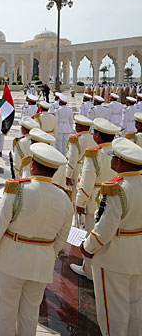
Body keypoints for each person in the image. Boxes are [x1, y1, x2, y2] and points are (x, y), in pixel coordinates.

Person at [0, 143, 72, 336]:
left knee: (4, 313)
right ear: (54, 172)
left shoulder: (17, 190)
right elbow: (62, 238)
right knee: (30, 315)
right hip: (42, 264)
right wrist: (46, 253)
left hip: (11, 261)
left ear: (33, 166)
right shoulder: (64, 197)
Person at [80, 138, 142, 336]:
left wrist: (87, 248)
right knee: (135, 306)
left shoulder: (117, 188)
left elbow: (105, 230)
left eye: (114, 158)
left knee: (113, 311)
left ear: (122, 163)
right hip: (138, 252)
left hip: (113, 256)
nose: (112, 161)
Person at [71, 117, 120, 280]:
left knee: (92, 234)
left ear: (98, 136)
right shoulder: (119, 151)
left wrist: (80, 202)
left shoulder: (94, 155)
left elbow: (86, 183)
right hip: (118, 196)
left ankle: (90, 270)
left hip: (96, 199)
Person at [65, 115, 94, 198]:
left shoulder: (76, 139)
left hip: (77, 169)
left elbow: (72, 159)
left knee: (75, 193)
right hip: (90, 167)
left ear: (81, 126)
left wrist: (68, 175)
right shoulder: (93, 137)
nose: (75, 127)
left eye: (77, 125)